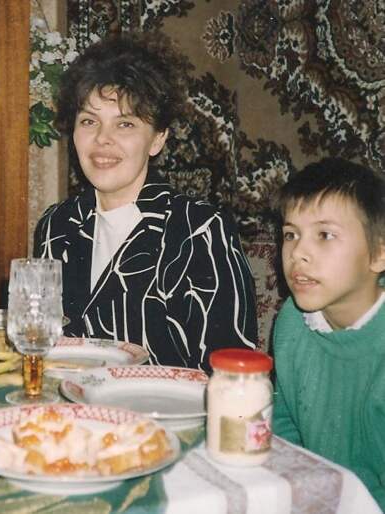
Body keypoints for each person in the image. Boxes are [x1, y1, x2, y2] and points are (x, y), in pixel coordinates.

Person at [33, 31, 258, 372]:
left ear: (157, 139)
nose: (102, 139)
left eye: (125, 124)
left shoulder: (198, 230)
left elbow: (231, 371)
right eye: (89, 121)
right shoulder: (56, 225)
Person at [272, 157, 385, 508]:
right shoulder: (293, 321)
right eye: (291, 235)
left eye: (325, 235)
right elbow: (283, 428)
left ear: (379, 254)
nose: (298, 253)